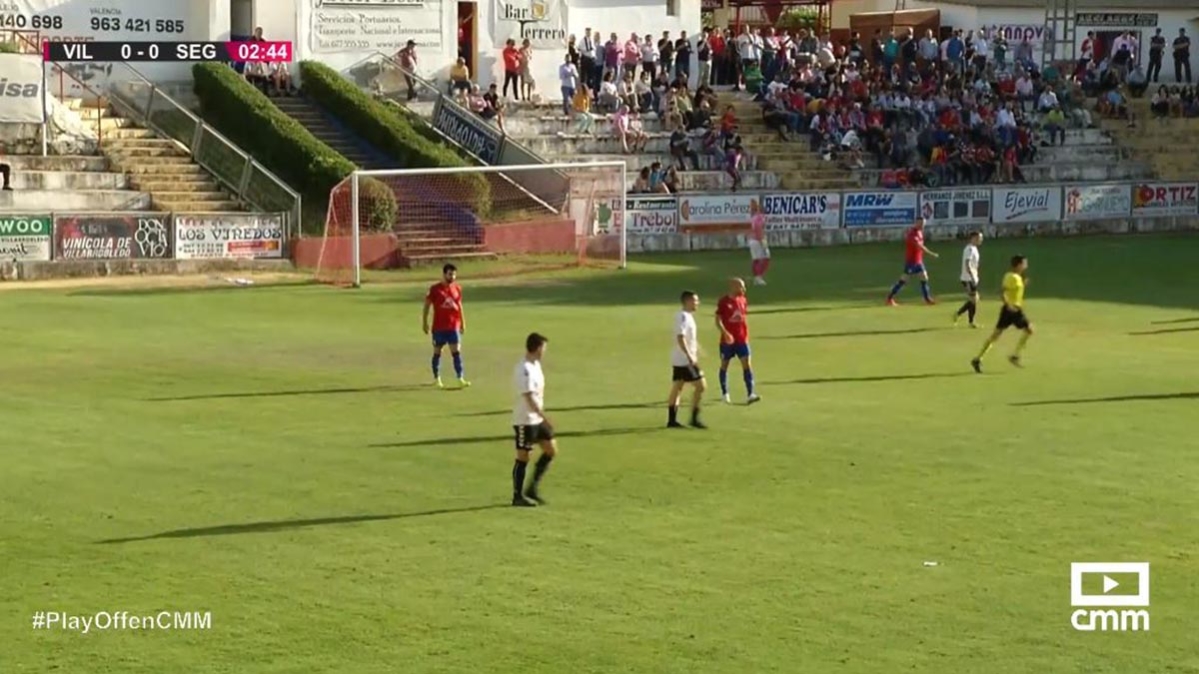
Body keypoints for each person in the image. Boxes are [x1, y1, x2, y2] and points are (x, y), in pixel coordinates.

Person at [511, 333, 556, 507]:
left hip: (537, 419)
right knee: (523, 457)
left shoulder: (536, 365)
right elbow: (529, 398)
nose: (545, 351)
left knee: (551, 450)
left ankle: (532, 488)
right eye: (544, 348)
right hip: (525, 420)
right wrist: (545, 417)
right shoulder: (524, 369)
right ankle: (517, 496)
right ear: (537, 348)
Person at [972, 255, 1033, 373]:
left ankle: (978, 358)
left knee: (996, 335)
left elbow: (1014, 290)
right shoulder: (1013, 277)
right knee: (1029, 330)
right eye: (1024, 263)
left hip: (1009, 310)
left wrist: (1023, 285)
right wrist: (1009, 305)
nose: (1026, 265)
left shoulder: (1016, 277)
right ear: (1019, 264)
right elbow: (1002, 292)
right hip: (1013, 310)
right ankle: (1015, 356)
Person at [422, 263, 469, 388]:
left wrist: (463, 322)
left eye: (454, 274)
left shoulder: (457, 288)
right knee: (438, 352)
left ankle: (460, 378)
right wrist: (424, 322)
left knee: (456, 352)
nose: (452, 277)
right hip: (439, 327)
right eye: (450, 274)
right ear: (444, 274)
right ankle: (437, 378)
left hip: (453, 326)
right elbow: (427, 305)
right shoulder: (435, 289)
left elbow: (459, 306)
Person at [715, 278, 760, 405]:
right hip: (727, 341)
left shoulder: (743, 300)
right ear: (733, 287)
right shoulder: (724, 302)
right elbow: (718, 320)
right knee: (725, 365)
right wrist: (725, 333)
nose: (744, 289)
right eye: (741, 287)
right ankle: (725, 393)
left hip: (742, 339)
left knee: (747, 365)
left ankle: (750, 393)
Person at [668, 291, 706, 429]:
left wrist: (697, 347)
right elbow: (680, 337)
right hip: (685, 360)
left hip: (680, 358)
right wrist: (690, 355)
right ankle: (694, 418)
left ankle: (672, 420)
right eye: (695, 300)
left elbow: (689, 338)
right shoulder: (683, 317)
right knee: (701, 386)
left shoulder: (687, 316)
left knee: (678, 387)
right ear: (688, 301)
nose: (697, 303)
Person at [885, 217, 938, 306]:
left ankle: (927, 299)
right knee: (903, 280)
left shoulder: (920, 232)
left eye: (924, 224)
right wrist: (932, 254)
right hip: (911, 262)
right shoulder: (912, 234)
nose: (923, 226)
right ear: (916, 223)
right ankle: (889, 298)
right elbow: (920, 246)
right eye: (921, 224)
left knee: (924, 277)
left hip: (918, 261)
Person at [954, 231, 983, 327]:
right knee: (974, 300)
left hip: (972, 278)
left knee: (974, 299)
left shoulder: (974, 248)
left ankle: (958, 314)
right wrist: (972, 276)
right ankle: (971, 322)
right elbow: (967, 264)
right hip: (968, 278)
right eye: (979, 238)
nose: (981, 240)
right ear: (973, 238)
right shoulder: (969, 249)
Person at [748, 210, 769, 285]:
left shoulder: (753, 217)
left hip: (752, 240)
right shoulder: (760, 217)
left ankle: (756, 278)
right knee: (765, 259)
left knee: (756, 260)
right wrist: (761, 240)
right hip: (758, 240)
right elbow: (758, 227)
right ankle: (759, 277)